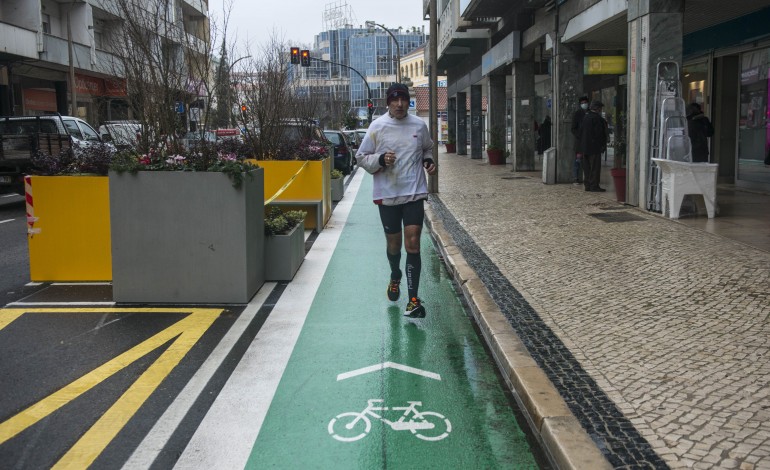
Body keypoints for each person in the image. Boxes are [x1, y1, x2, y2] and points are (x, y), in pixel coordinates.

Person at [356, 83, 436, 318]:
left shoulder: (419, 126)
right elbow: (361, 157)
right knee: (394, 245)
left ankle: (413, 300)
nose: (399, 104)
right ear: (388, 102)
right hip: (388, 196)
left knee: (413, 244)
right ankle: (395, 275)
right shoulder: (377, 127)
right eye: (395, 100)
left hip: (414, 193)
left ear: (408, 102)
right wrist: (380, 159)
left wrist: (428, 162)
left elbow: (427, 149)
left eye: (403, 100)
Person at [579, 100, 608, 192]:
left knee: (586, 168)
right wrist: (602, 145)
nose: (601, 109)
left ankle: (587, 185)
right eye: (600, 108)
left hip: (584, 147)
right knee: (595, 167)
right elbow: (599, 134)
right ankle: (594, 186)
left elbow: (580, 132)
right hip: (594, 147)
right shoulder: (597, 119)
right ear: (597, 108)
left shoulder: (585, 117)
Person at [571, 96, 589, 185]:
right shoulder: (577, 113)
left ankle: (588, 178)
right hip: (579, 143)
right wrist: (580, 135)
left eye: (585, 102)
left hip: (589, 143)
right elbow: (573, 128)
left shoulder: (590, 113)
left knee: (587, 161)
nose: (584, 104)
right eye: (582, 103)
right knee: (578, 160)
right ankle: (575, 178)